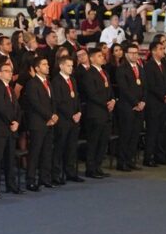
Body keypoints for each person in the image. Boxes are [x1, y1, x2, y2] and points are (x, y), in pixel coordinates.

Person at [0, 58, 22, 198]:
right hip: (0, 129)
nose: (9, 73)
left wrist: (17, 121)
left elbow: (18, 108)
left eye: (10, 71)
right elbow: (1, 108)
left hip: (11, 128)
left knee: (10, 158)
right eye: (6, 71)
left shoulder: (10, 88)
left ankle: (11, 184)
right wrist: (12, 121)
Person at [79, 48, 114, 179]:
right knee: (94, 141)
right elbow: (91, 94)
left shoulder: (104, 72)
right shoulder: (89, 74)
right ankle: (90, 168)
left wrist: (112, 100)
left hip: (106, 112)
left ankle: (98, 166)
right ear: (92, 58)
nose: (102, 58)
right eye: (99, 56)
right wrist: (106, 103)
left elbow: (109, 89)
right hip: (95, 112)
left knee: (103, 141)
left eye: (103, 56)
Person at [24, 56, 57, 191]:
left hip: (50, 122)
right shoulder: (32, 83)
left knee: (47, 151)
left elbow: (53, 101)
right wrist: (49, 116)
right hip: (38, 122)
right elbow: (35, 103)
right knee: (35, 152)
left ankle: (45, 178)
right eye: (44, 64)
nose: (47, 66)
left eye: (47, 64)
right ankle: (31, 180)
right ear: (37, 68)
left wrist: (54, 114)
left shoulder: (48, 82)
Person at [51, 55, 83, 184]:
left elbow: (76, 98)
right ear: (61, 66)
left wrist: (79, 112)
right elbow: (58, 102)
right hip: (63, 120)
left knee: (71, 147)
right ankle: (56, 174)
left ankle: (70, 172)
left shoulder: (73, 80)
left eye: (72, 66)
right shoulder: (56, 81)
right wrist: (71, 115)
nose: (71, 68)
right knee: (60, 148)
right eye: (68, 66)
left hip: (74, 119)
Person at [114, 43, 145, 172]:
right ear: (126, 54)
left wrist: (143, 101)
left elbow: (145, 87)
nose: (134, 55)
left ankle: (130, 159)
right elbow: (124, 88)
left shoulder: (140, 68)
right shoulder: (122, 69)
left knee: (134, 135)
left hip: (140, 106)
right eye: (131, 53)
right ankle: (122, 162)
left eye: (136, 53)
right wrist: (135, 103)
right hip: (127, 106)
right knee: (125, 135)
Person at [143, 40, 166, 167]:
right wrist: (163, 96)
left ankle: (160, 155)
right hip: (154, 103)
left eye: (163, 49)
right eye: (160, 49)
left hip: (163, 103)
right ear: (153, 51)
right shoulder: (149, 66)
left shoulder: (162, 65)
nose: (163, 51)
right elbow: (151, 85)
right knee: (152, 131)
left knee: (161, 131)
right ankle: (148, 157)